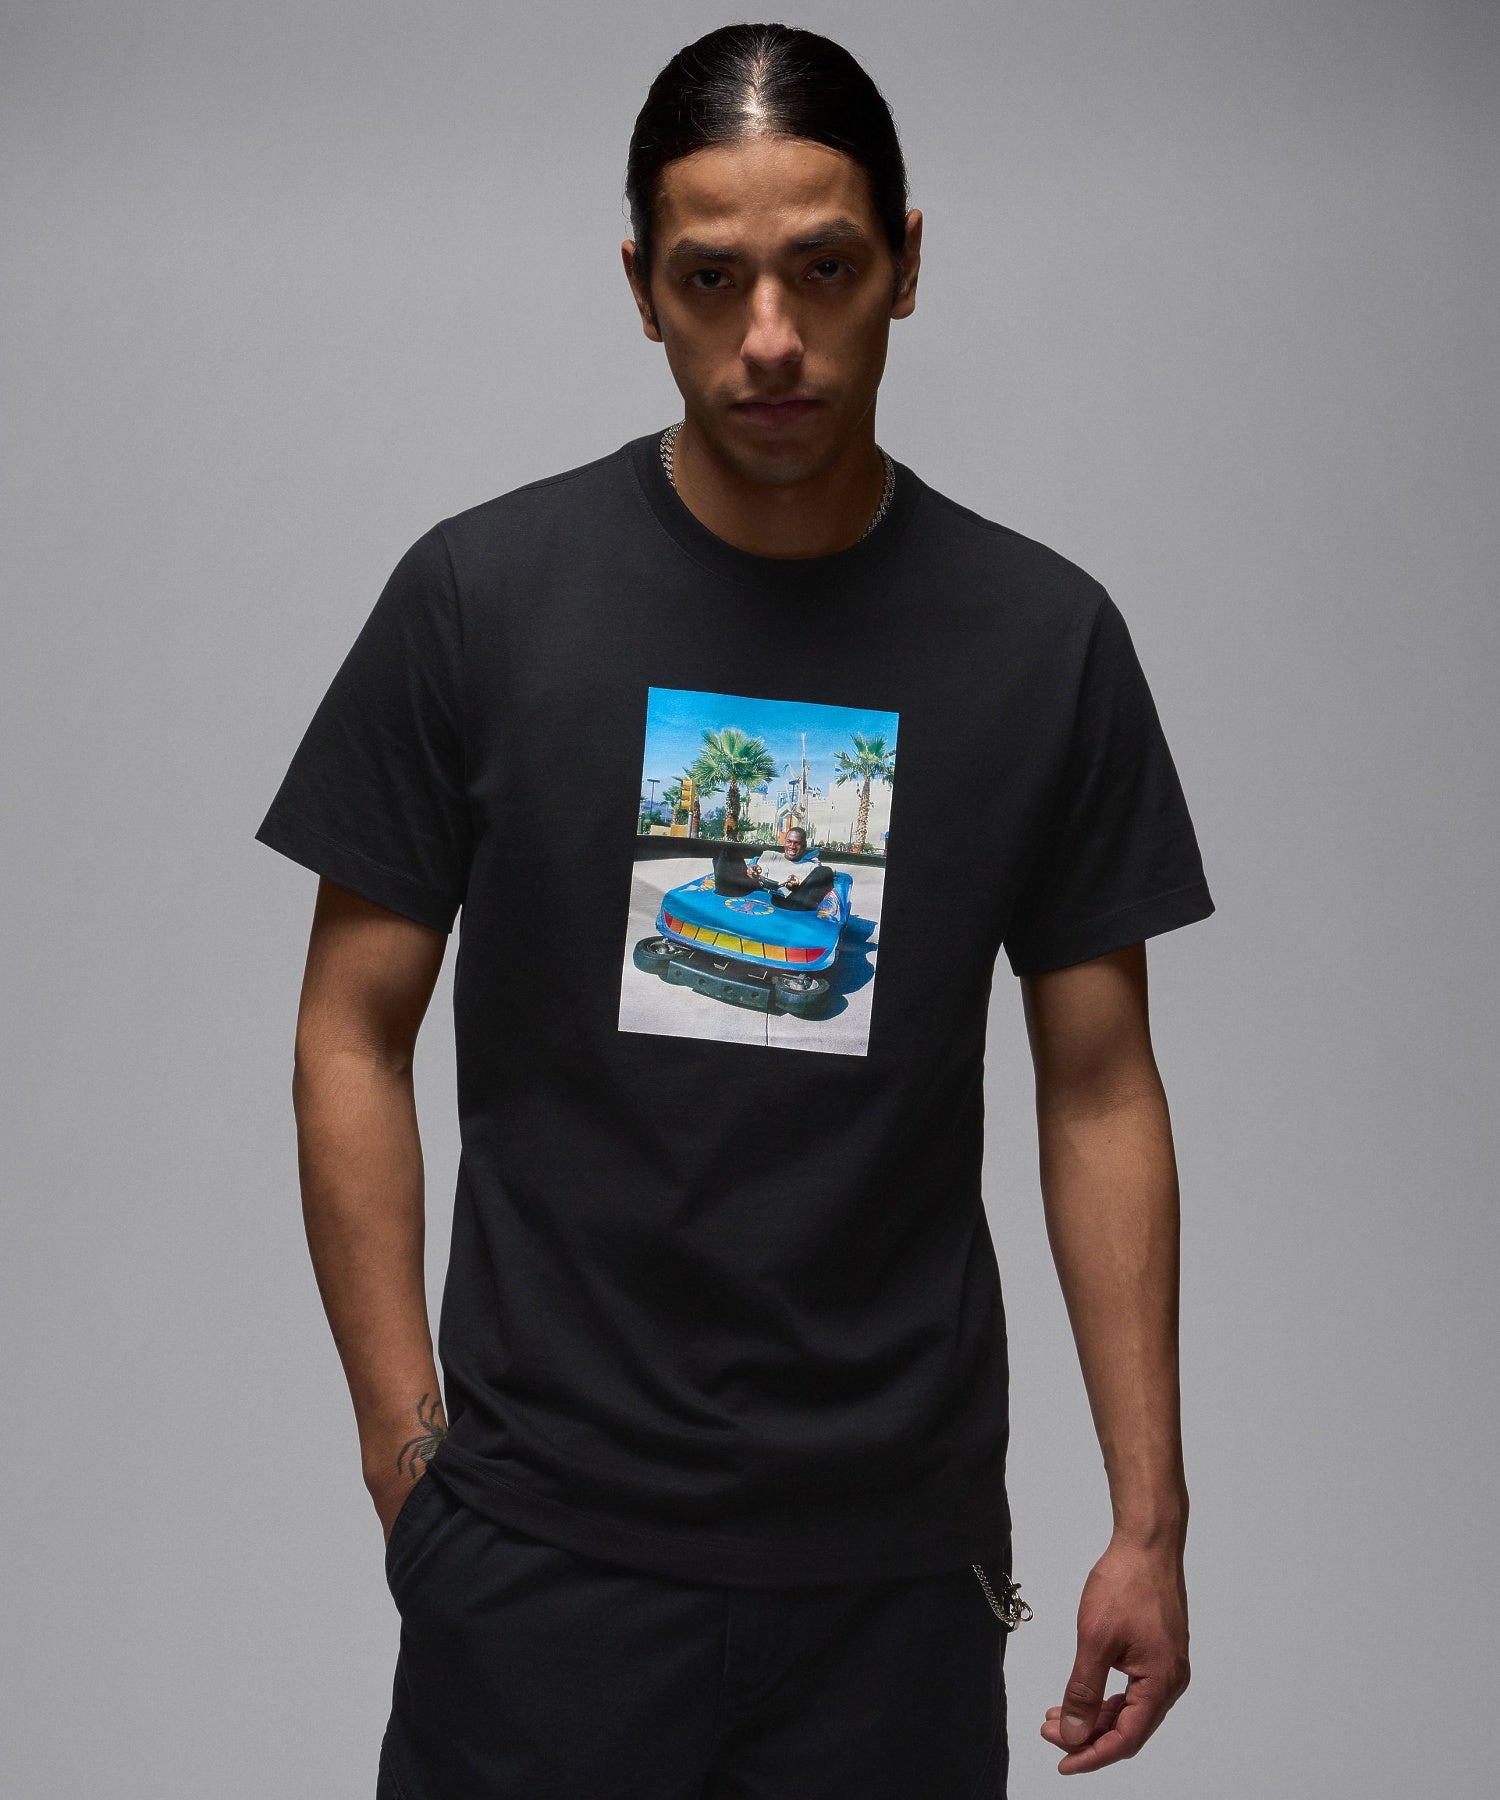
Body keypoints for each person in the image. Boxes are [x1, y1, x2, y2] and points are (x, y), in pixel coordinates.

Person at [255, 23, 1213, 1799]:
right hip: (539, 1559)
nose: (770, 335)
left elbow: (1098, 1089)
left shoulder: (1044, 639)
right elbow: (347, 1034)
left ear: (904, 265)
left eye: (822, 269)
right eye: (713, 278)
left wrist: (1147, 1519)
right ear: (642, 288)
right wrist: (408, 1460)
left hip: (896, 1575)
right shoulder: (480, 599)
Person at [714, 823, 834, 908]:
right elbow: (752, 874)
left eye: (797, 843)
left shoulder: (811, 867)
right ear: (784, 842)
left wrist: (796, 887)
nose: (792, 846)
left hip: (787, 904)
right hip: (755, 892)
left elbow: (809, 889)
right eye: (789, 842)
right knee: (727, 851)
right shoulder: (770, 855)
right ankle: (721, 897)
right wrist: (751, 869)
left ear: (804, 845)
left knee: (826, 872)